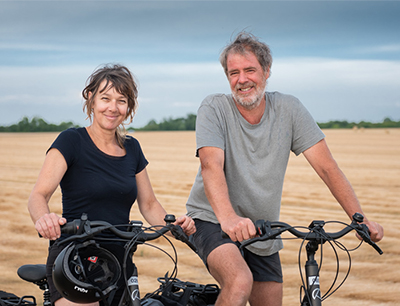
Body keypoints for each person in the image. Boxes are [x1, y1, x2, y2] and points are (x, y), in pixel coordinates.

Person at [186, 31, 384, 306]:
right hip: (212, 219)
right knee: (239, 281)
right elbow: (211, 165)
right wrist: (228, 218)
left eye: (250, 70)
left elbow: (327, 167)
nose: (242, 79)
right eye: (234, 73)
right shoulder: (214, 107)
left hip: (262, 227)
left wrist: (359, 218)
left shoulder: (289, 109)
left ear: (267, 72)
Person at [28, 64, 196, 306]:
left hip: (120, 257)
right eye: (105, 98)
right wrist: (44, 219)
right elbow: (38, 195)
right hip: (75, 256)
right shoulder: (71, 141)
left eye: (121, 100)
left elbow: (149, 204)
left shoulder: (133, 148)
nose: (113, 107)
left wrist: (174, 226)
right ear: (91, 99)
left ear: (129, 107)